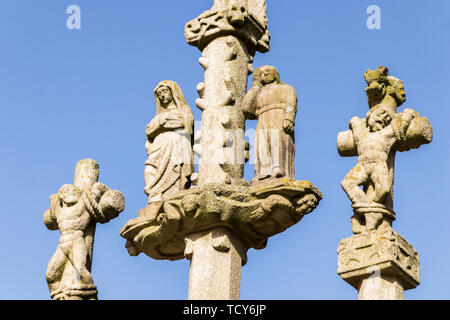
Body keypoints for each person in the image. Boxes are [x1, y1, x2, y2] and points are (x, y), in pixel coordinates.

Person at [242, 66, 297, 183]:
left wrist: (289, 118)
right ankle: (263, 173)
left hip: (278, 117)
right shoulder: (258, 92)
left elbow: (291, 103)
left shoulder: (286, 88)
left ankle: (278, 169)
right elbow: (246, 108)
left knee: (276, 142)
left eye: (269, 71)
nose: (266, 74)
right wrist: (255, 85)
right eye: (261, 73)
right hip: (262, 119)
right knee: (262, 145)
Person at [144, 81, 194, 203]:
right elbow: (149, 130)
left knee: (174, 171)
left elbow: (185, 124)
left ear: (172, 92)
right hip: (158, 148)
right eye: (159, 93)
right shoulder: (158, 116)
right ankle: (154, 195)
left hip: (176, 147)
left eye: (164, 91)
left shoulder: (184, 110)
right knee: (150, 169)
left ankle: (173, 196)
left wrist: (161, 124)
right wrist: (163, 122)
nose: (162, 95)